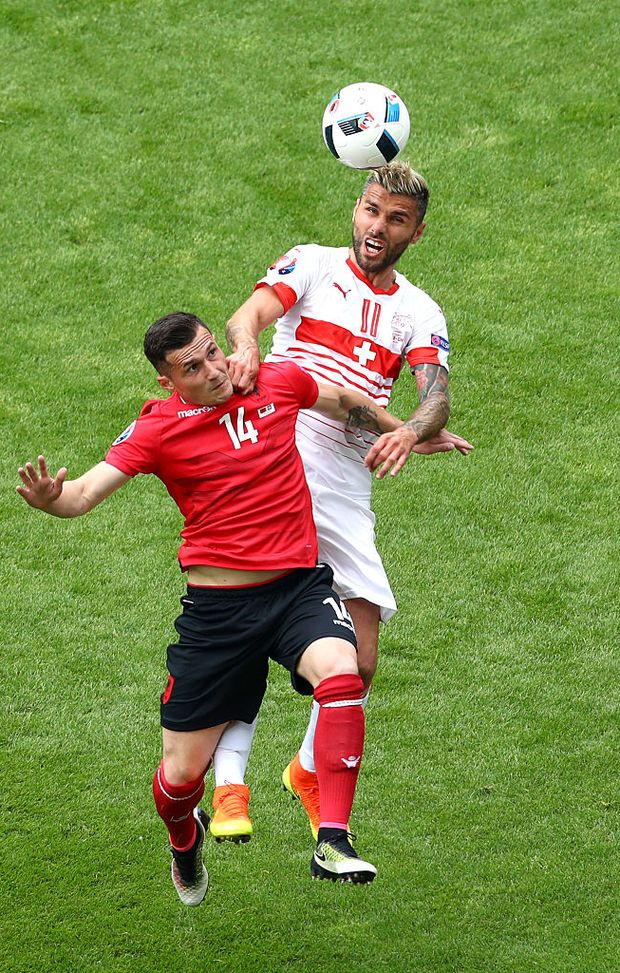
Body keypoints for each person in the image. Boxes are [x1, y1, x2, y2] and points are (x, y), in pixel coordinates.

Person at [16, 311, 414, 905]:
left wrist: (406, 430)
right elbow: (82, 495)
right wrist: (52, 499)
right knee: (180, 778)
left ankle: (332, 840)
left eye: (211, 352)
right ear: (167, 382)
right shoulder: (157, 429)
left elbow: (340, 400)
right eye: (192, 368)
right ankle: (185, 840)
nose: (213, 370)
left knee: (343, 672)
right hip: (219, 615)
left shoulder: (274, 380)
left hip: (297, 588)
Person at [212, 161, 473, 841]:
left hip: (346, 483)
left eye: (396, 219)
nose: (377, 227)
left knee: (360, 663)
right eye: (370, 210)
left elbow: (436, 398)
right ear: (356, 209)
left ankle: (305, 768)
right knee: (250, 623)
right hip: (278, 454)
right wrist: (245, 346)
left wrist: (409, 431)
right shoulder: (312, 263)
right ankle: (229, 785)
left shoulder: (419, 311)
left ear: (417, 232)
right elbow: (248, 316)